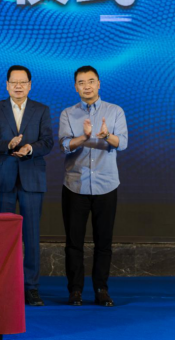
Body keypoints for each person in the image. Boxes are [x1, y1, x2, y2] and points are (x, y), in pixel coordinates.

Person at [59, 66, 128, 307]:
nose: (86, 86)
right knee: (73, 243)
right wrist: (84, 138)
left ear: (98, 84)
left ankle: (101, 289)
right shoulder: (68, 113)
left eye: (91, 81)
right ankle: (75, 291)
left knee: (103, 242)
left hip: (106, 185)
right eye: (81, 82)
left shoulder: (115, 111)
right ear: (75, 87)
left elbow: (122, 143)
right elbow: (64, 144)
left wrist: (106, 135)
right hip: (75, 185)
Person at [0, 65, 53, 306]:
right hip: (3, 177)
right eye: (14, 82)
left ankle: (31, 287)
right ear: (7, 85)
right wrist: (8, 145)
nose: (18, 86)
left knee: (31, 235)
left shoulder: (41, 110)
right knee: (3, 235)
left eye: (23, 82)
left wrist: (30, 148)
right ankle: (3, 286)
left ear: (30, 85)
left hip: (31, 177)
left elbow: (48, 141)